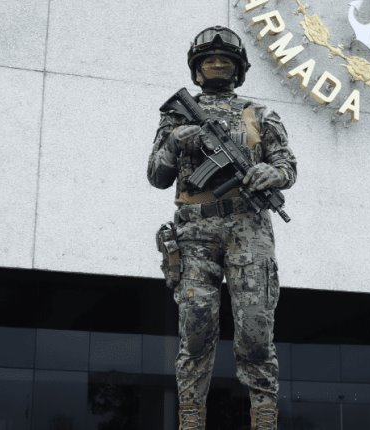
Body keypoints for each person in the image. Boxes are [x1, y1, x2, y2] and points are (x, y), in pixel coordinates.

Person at [147, 26, 297, 430]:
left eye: (225, 61)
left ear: (237, 69)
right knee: (195, 327)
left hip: (249, 231)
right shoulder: (177, 115)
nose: (217, 65)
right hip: (195, 234)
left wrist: (272, 173)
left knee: (255, 328)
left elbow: (287, 166)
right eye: (209, 60)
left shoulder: (261, 114)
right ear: (197, 70)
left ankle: (263, 412)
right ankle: (191, 414)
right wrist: (176, 141)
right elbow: (157, 176)